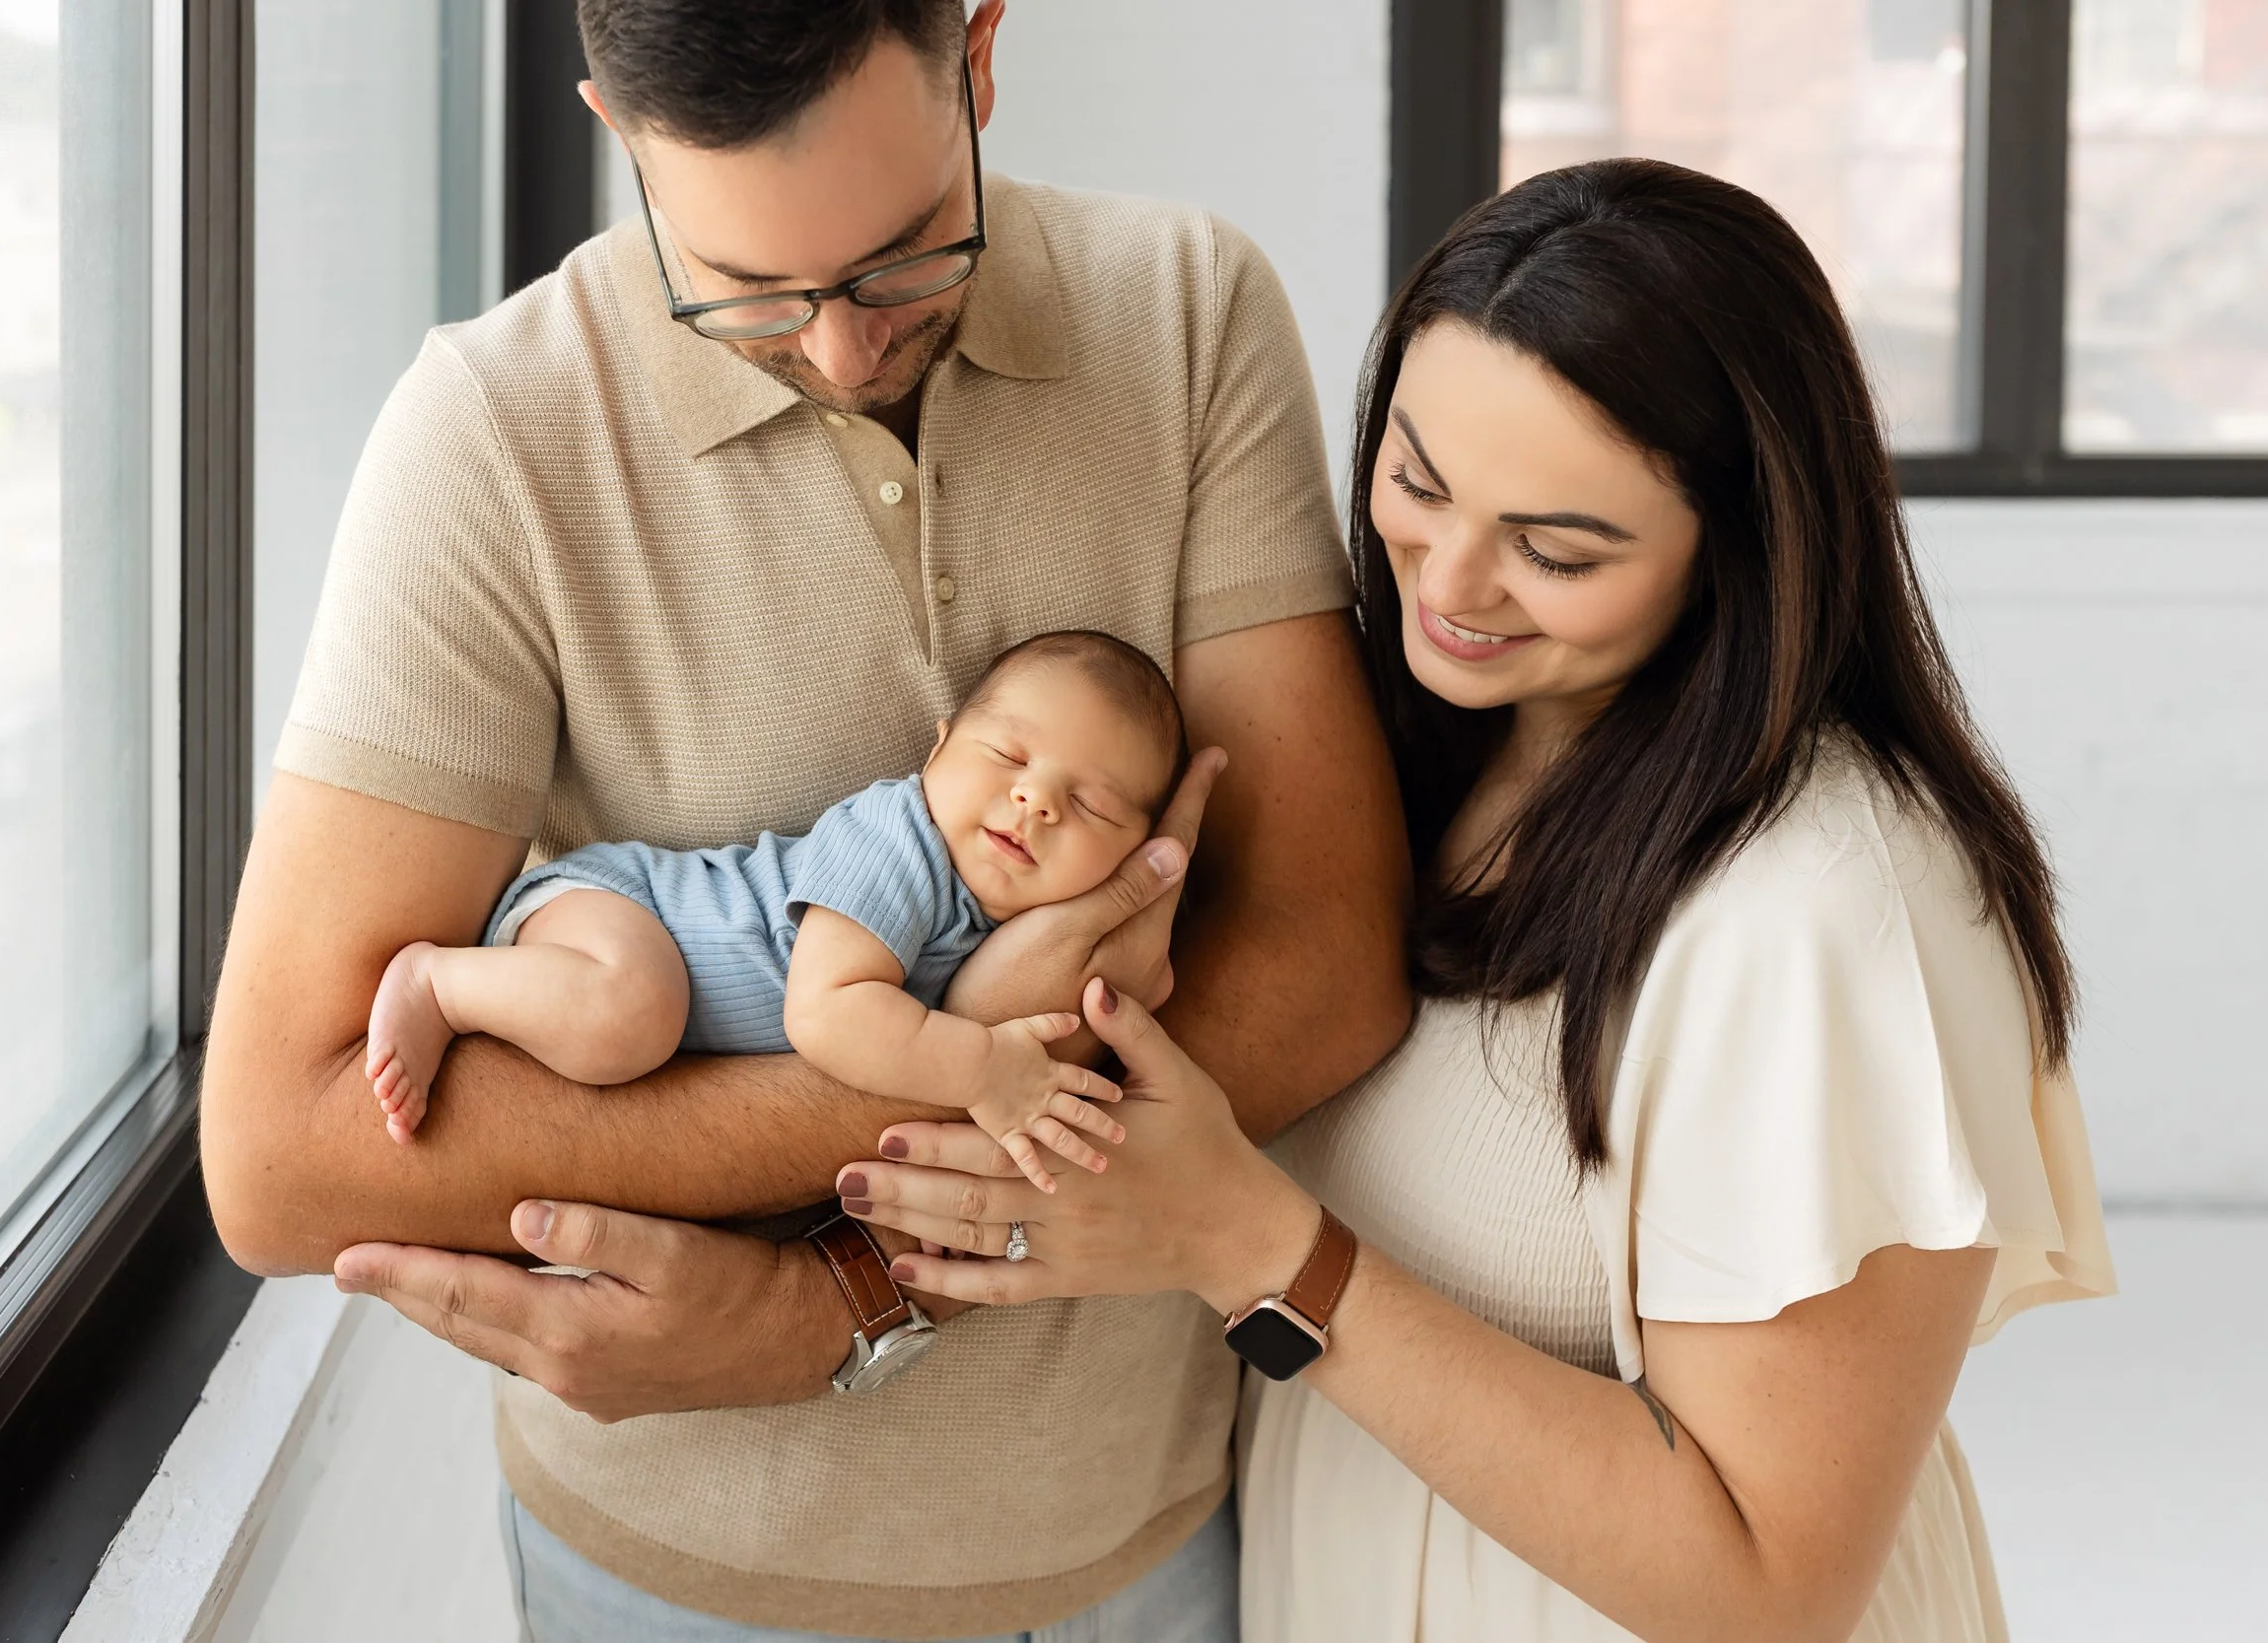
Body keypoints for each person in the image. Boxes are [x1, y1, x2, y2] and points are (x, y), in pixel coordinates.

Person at [197, 0, 1410, 1637]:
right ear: (620, 135)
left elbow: (1330, 962)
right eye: (749, 289)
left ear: (978, 53)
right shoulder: (490, 435)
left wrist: (834, 1294)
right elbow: (280, 1157)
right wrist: (974, 1046)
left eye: (905, 256)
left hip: (1136, 1535)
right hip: (671, 1573)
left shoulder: (1187, 312)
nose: (843, 348)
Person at [837, 159, 2117, 1642]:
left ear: (1745, 552)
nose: (1450, 578)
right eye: (1418, 480)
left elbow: (1770, 1585)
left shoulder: (1833, 904)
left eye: (1558, 548)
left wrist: (1259, 1247)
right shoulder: (1408, 754)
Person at [365, 632, 1179, 1196]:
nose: (1035, 800)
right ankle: (439, 981)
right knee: (633, 1011)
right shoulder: (898, 839)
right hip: (617, 909)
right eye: (1007, 756)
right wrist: (985, 1069)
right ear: (937, 749)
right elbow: (827, 1014)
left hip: (627, 946)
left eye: (1093, 807)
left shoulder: (1008, 921)